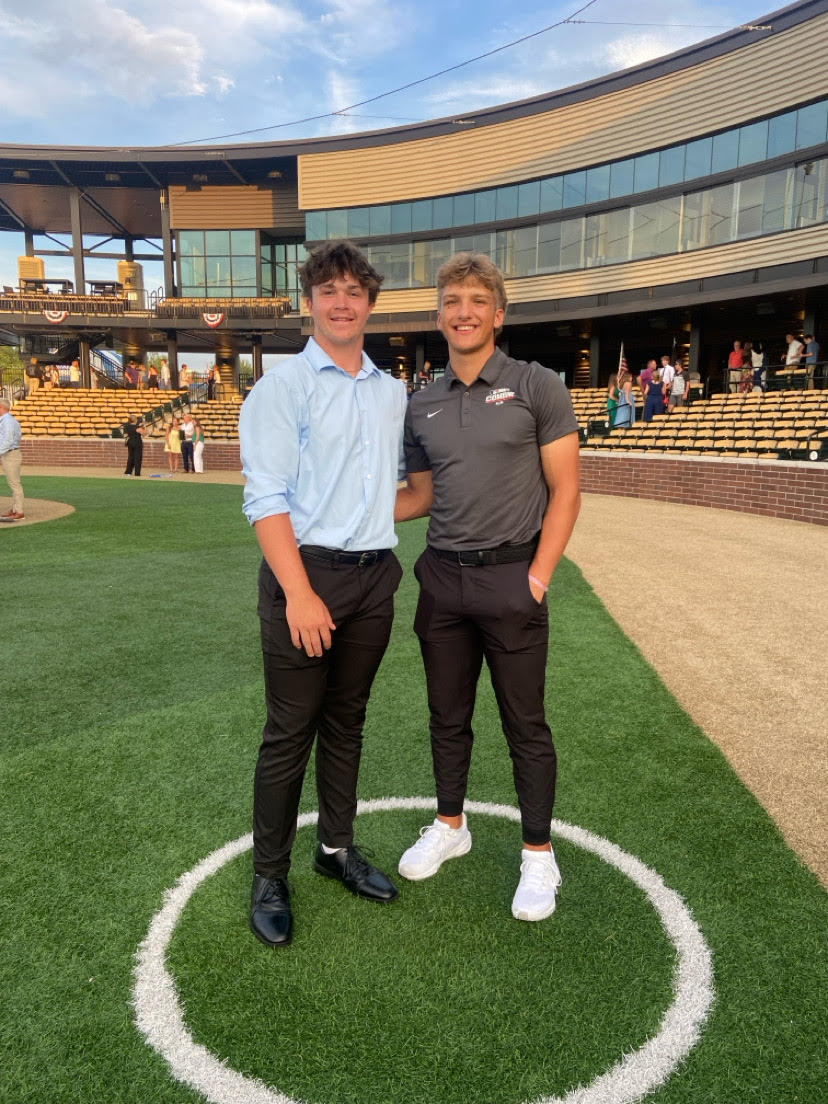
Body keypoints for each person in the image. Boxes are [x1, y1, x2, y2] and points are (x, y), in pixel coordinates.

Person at [394, 251, 580, 922]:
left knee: (524, 723)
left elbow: (566, 491)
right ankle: (451, 825)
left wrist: (538, 578)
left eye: (477, 300)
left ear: (498, 314)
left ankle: (538, 854)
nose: (463, 312)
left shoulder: (537, 385)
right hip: (442, 579)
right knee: (447, 717)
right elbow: (419, 497)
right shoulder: (422, 403)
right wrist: (340, 511)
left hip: (512, 577)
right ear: (439, 314)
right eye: (452, 301)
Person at [239, 239, 408, 948]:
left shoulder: (391, 390)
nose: (342, 302)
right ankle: (269, 875)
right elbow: (266, 499)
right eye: (328, 290)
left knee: (348, 722)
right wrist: (300, 594)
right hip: (306, 578)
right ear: (309, 301)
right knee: (291, 731)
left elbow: (383, 491)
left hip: (374, 579)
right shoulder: (283, 387)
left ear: (370, 303)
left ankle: (335, 848)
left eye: (354, 291)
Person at [0, 397, 24, 521]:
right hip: (10, 453)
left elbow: (8, 441)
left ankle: (19, 511)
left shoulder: (7, 421)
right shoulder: (10, 420)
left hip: (10, 454)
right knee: (13, 483)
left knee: (15, 484)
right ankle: (15, 509)